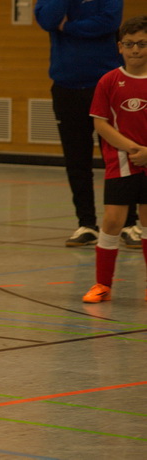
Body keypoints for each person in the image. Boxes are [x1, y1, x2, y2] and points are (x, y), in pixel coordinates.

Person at [35, 0, 142, 249]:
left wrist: (67, 27)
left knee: (121, 156)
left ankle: (129, 223)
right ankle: (86, 224)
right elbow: (47, 20)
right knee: (76, 160)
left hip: (106, 83)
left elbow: (108, 23)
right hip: (67, 86)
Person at [82, 15, 147, 303]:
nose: (135, 50)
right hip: (121, 163)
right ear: (120, 46)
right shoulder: (109, 81)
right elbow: (101, 123)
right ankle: (102, 285)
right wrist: (133, 149)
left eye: (142, 44)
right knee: (111, 222)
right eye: (129, 44)